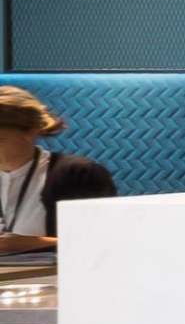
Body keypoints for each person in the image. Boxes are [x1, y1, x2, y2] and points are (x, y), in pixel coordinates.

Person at [0, 86, 115, 252]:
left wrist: (34, 243)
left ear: (31, 131)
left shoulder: (79, 173)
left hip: (55, 275)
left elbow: (105, 240)